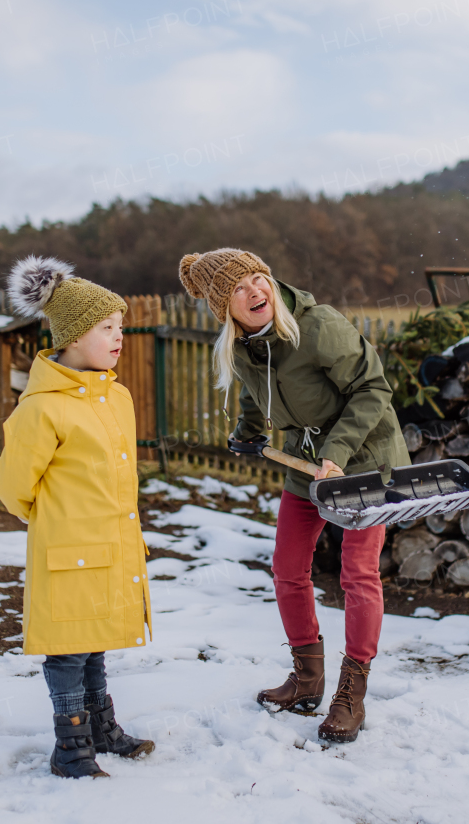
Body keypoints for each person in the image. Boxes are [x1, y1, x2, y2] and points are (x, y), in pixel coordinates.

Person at [178, 248, 409, 743]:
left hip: (364, 461)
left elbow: (373, 387)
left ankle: (352, 691)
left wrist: (339, 451)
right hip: (306, 465)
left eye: (258, 277)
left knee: (357, 574)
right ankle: (308, 679)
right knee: (286, 569)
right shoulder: (243, 347)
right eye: (239, 288)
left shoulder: (318, 326)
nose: (255, 290)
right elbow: (253, 390)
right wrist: (247, 429)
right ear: (226, 309)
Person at [0, 255, 154, 779]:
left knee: (94, 642)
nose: (119, 336)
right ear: (74, 334)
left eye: (121, 327)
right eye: (107, 327)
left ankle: (102, 727)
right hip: (65, 549)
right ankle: (71, 745)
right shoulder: (42, 407)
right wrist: (50, 518)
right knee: (67, 651)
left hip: (110, 544)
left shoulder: (118, 397)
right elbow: (13, 483)